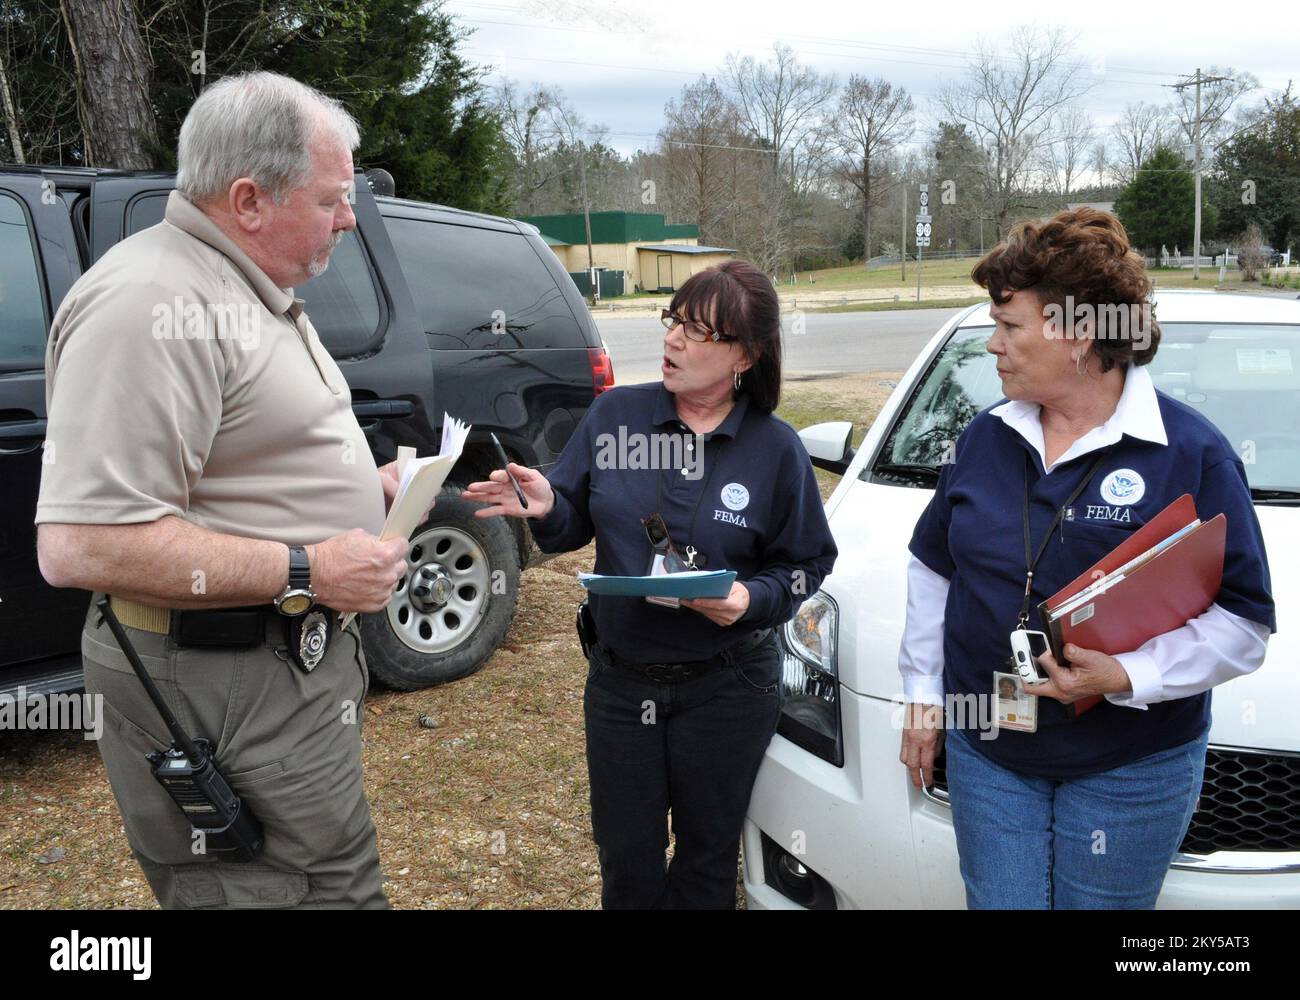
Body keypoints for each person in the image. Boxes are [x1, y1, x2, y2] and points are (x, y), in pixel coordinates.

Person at [35, 72, 417, 909]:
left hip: (269, 671)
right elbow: (81, 545)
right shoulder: (153, 303)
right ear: (249, 199)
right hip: (218, 680)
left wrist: (363, 487)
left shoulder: (237, 284)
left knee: (328, 876)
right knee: (282, 890)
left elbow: (242, 461)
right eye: (333, 199)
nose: (350, 219)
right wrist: (310, 567)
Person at [897, 207, 1275, 909]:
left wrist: (1128, 673)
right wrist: (922, 699)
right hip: (991, 749)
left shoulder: (1190, 454)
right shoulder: (983, 440)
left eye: (1009, 327)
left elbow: (1244, 624)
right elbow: (933, 569)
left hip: (1130, 766)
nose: (993, 346)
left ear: (1076, 334)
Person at [464, 260, 837, 908]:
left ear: (745, 356)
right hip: (622, 684)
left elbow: (805, 562)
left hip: (729, 687)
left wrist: (753, 599)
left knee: (708, 859)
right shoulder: (616, 416)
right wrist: (550, 502)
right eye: (674, 322)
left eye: (698, 332)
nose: (673, 341)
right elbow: (573, 516)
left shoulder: (773, 449)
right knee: (627, 856)